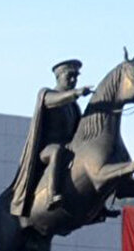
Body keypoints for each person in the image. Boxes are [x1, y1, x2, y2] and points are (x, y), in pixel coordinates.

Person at [11, 59, 92, 219]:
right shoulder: (47, 94)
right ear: (59, 76)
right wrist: (76, 93)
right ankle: (51, 194)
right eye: (70, 75)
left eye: (76, 76)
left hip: (68, 149)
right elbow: (54, 101)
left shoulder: (73, 106)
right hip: (46, 150)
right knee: (57, 151)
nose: (74, 80)